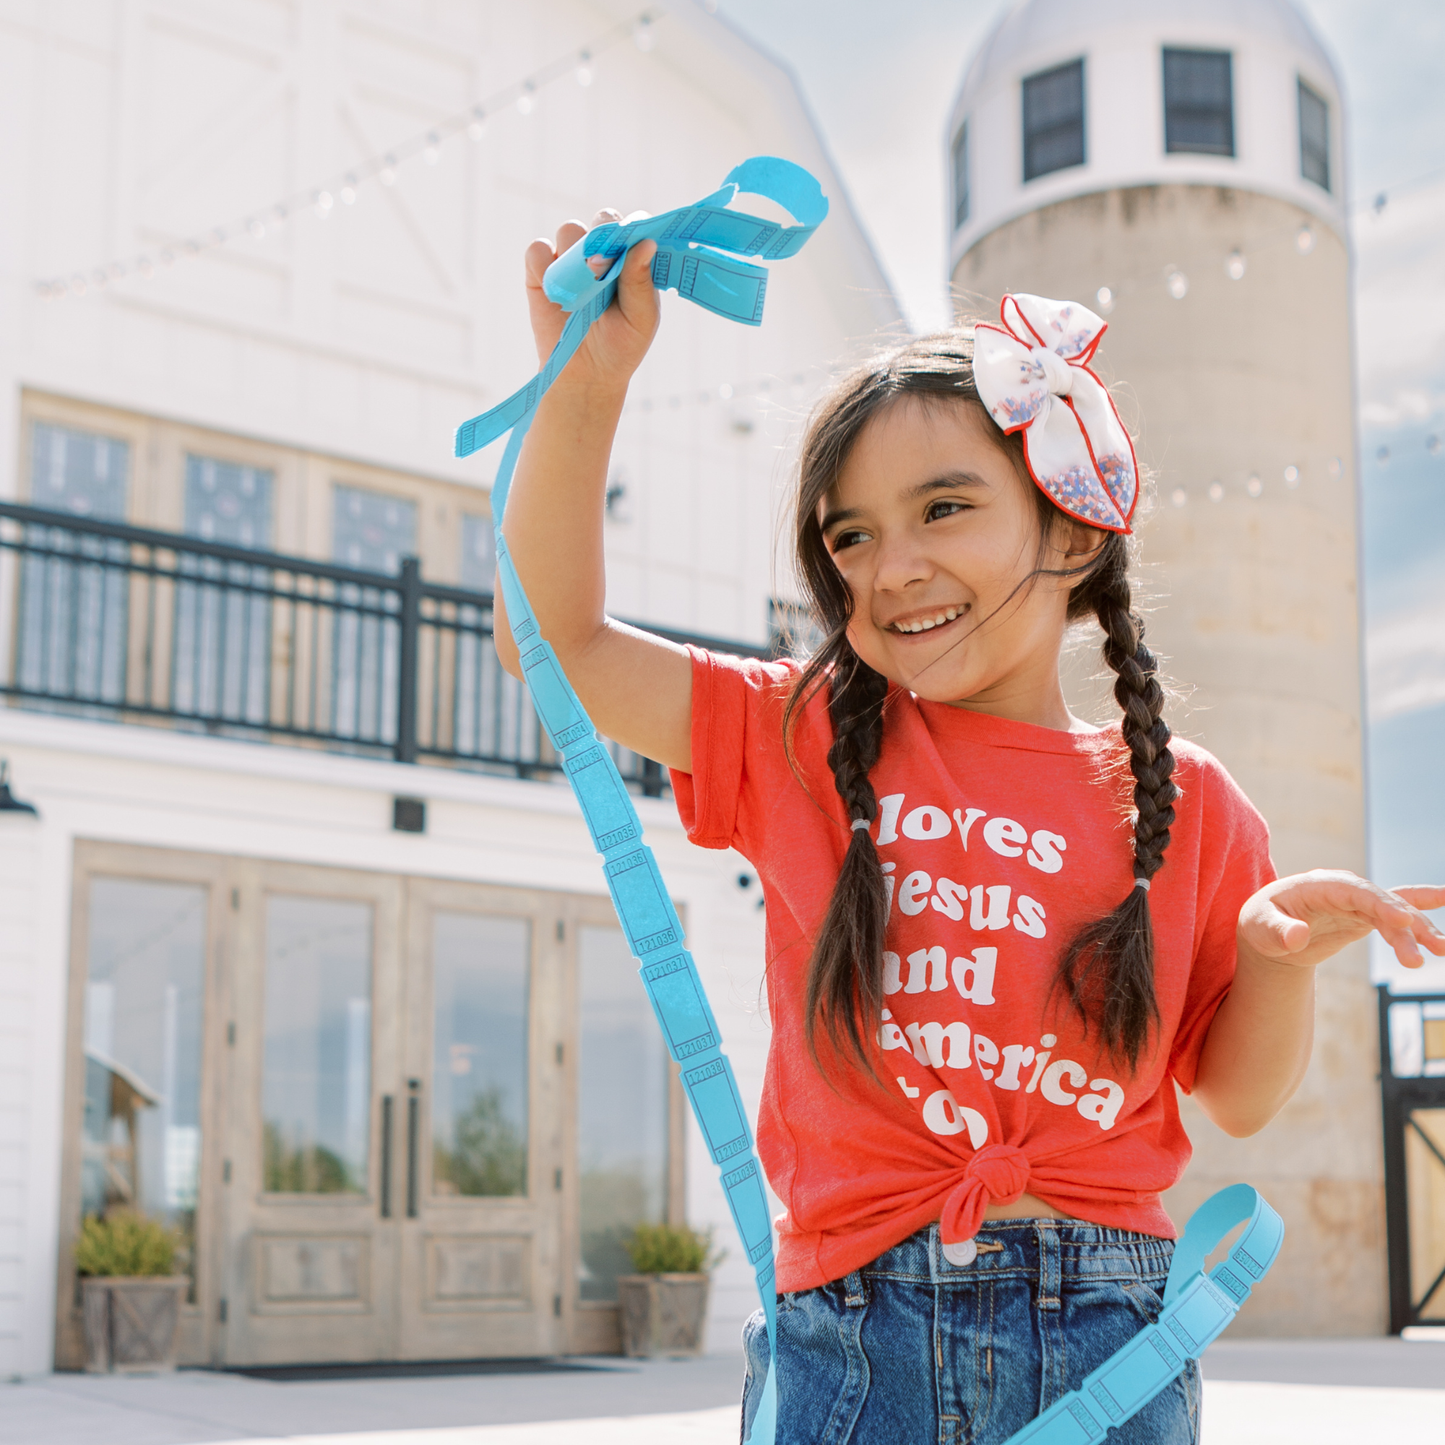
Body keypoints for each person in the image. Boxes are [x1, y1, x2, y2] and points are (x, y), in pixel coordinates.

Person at [495, 213, 1445, 1445]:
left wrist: (1271, 958)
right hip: (852, 1326)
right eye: (850, 534)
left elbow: (1237, 1095)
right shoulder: (800, 733)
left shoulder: (1186, 798)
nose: (890, 566)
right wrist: (583, 385)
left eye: (942, 507)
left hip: (1108, 1330)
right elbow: (558, 644)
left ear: (1067, 526)